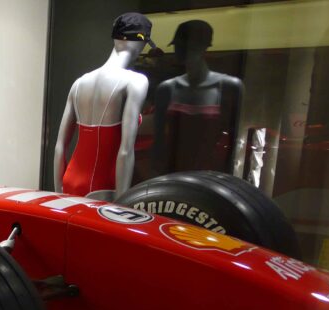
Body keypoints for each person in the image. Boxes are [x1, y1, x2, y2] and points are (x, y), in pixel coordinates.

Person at [54, 13, 153, 200]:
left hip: (69, 180)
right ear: (141, 43)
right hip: (103, 185)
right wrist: (122, 203)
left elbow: (60, 146)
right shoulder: (135, 81)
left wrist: (58, 191)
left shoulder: (79, 83)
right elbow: (126, 150)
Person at [153, 20, 243, 175]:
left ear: (203, 47)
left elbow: (233, 144)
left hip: (211, 175)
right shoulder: (167, 88)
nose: (179, 50)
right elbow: (159, 144)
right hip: (172, 174)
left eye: (187, 46)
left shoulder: (229, 86)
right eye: (178, 45)